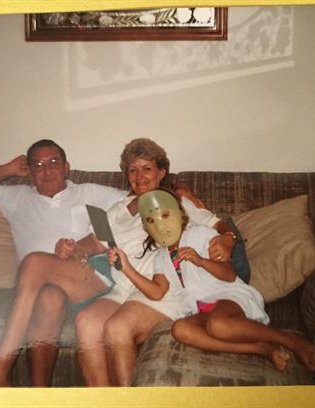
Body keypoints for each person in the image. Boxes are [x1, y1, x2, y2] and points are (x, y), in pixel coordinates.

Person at [72, 138, 239, 386]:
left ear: (161, 173)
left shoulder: (178, 202)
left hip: (161, 288)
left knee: (118, 328)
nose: (139, 176)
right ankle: (103, 399)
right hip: (123, 286)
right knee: (85, 322)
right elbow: (96, 241)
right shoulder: (118, 208)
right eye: (133, 170)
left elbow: (220, 225)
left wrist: (228, 238)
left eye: (147, 168)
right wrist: (72, 248)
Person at [0, 139, 129, 386]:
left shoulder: (89, 192)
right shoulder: (16, 196)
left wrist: (182, 195)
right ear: (30, 171)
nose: (47, 170)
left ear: (66, 167)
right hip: (40, 287)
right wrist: (9, 169)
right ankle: (40, 393)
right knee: (49, 299)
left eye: (53, 162)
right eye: (38, 165)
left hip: (88, 278)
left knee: (34, 262)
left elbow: (140, 200)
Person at [112, 188, 315, 372]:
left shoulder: (201, 233)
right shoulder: (161, 257)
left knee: (217, 325)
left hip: (227, 295)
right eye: (151, 220)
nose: (160, 223)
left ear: (180, 215)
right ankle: (260, 349)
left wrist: (201, 261)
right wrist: (127, 268)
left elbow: (229, 275)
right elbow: (157, 292)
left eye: (165, 215)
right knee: (180, 329)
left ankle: (288, 339)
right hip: (200, 308)